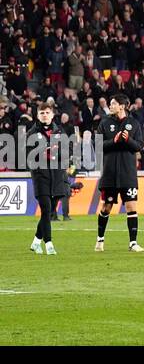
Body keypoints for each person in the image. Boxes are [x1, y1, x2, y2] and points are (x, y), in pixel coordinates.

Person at [95, 94, 144, 253]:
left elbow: (139, 146)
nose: (110, 106)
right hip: (109, 172)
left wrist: (128, 140)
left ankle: (133, 243)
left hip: (128, 173)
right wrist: (114, 141)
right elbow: (98, 146)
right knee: (106, 207)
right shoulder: (104, 123)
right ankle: (100, 240)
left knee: (131, 206)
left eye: (113, 103)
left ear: (122, 106)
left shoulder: (134, 124)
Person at [25, 99, 68, 255]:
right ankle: (48, 243)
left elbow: (67, 152)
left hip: (56, 176)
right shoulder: (31, 134)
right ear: (37, 115)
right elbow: (28, 158)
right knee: (45, 208)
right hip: (41, 176)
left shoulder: (60, 132)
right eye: (41, 113)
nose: (44, 115)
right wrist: (43, 153)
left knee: (49, 212)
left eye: (47, 112)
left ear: (52, 114)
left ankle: (36, 241)